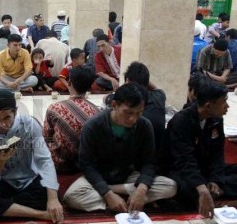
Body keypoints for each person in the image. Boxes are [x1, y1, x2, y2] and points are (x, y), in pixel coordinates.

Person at [63, 83, 177, 212]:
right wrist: (107, 193)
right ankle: (124, 198)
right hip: (99, 176)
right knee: (72, 196)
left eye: (138, 113)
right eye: (128, 113)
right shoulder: (93, 126)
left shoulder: (144, 125)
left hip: (127, 175)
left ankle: (123, 197)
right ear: (114, 105)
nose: (133, 119)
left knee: (170, 186)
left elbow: (149, 162)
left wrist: (141, 189)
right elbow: (87, 166)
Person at [0, 90, 64, 223]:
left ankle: (5, 208)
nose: (1, 124)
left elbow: (44, 160)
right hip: (2, 184)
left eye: (6, 118)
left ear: (15, 111)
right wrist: (0, 162)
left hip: (29, 181)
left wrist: (53, 199)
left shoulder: (30, 125)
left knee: (53, 194)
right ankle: (40, 214)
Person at [160, 82, 237, 218]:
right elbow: (184, 160)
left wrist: (215, 180)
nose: (227, 106)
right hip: (178, 170)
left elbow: (217, 154)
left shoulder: (216, 120)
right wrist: (201, 187)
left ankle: (214, 190)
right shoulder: (181, 121)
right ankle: (210, 193)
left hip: (203, 168)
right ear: (208, 105)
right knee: (184, 189)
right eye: (223, 102)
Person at [43, 66, 99, 173]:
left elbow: (46, 137)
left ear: (69, 83)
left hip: (59, 165)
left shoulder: (55, 108)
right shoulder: (96, 111)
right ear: (90, 86)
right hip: (86, 165)